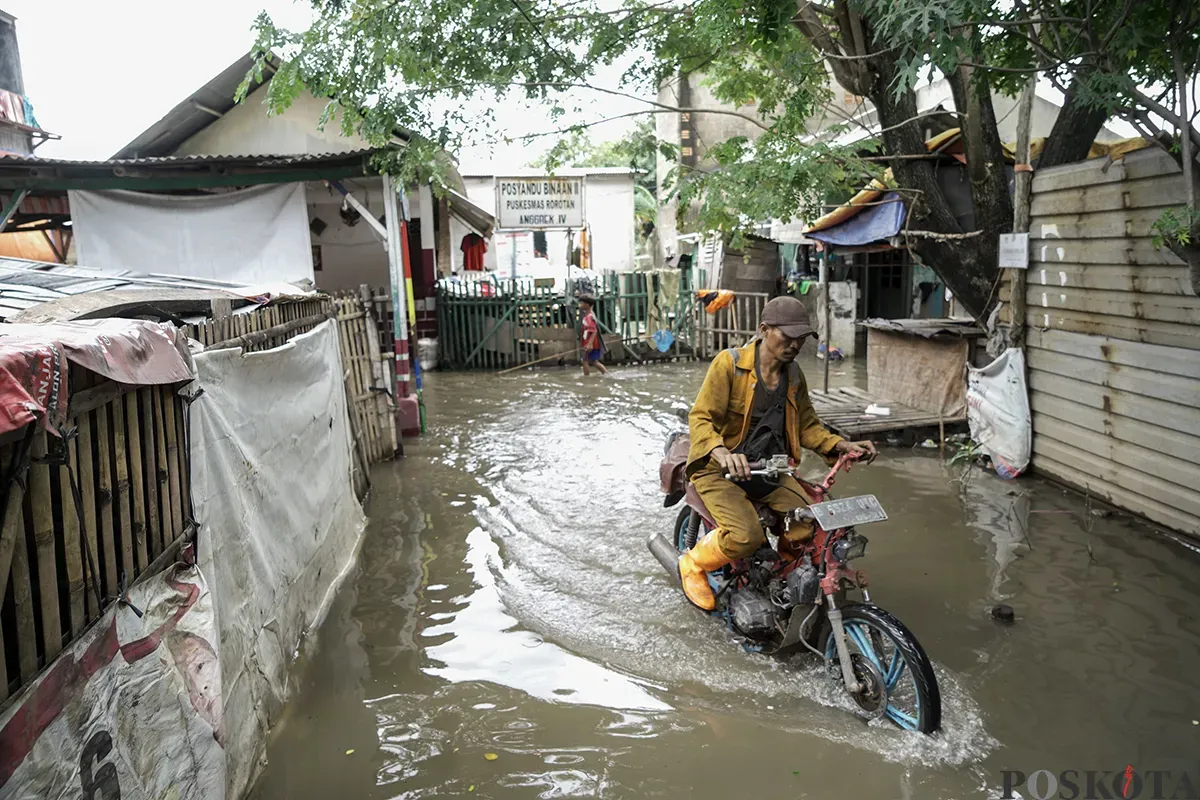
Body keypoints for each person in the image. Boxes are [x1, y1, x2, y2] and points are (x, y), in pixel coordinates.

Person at [678, 295, 877, 610]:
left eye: (801, 338)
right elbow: (701, 418)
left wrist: (840, 445)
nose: (795, 344)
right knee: (746, 536)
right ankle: (692, 564)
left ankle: (785, 578)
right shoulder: (729, 364)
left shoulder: (794, 375)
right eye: (788, 336)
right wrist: (721, 452)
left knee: (809, 521)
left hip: (768, 468)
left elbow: (807, 426)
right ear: (763, 330)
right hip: (718, 469)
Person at [578, 295, 609, 376]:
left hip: (591, 343)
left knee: (585, 360)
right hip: (590, 343)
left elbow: (594, 331)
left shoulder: (589, 317)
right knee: (593, 361)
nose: (580, 304)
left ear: (587, 305)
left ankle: (586, 378)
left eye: (581, 303)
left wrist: (590, 344)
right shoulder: (589, 315)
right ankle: (606, 374)